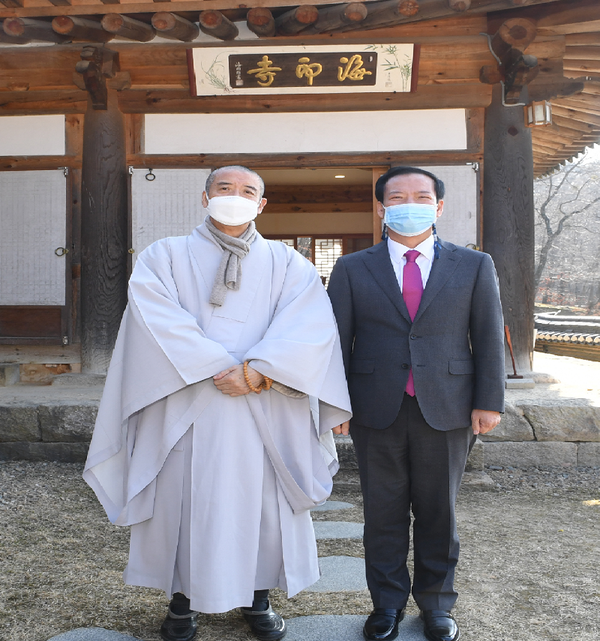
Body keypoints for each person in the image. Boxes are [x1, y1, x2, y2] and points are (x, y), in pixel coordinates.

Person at [83, 165, 351, 641]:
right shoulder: (163, 256)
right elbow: (154, 318)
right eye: (225, 188)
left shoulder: (290, 264)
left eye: (248, 191)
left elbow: (308, 326)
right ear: (204, 197)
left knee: (266, 502)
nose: (236, 196)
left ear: (262, 205)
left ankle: (258, 597)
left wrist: (258, 371)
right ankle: (182, 603)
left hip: (266, 402)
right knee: (183, 499)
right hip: (187, 399)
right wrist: (217, 366)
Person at [327, 166, 505, 641]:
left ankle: (437, 606)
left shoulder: (473, 265)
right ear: (382, 207)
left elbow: (487, 336)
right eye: (397, 196)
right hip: (373, 406)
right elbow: (335, 342)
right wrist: (335, 405)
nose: (410, 203)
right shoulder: (351, 267)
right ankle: (385, 605)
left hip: (448, 405)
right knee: (381, 513)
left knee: (438, 512)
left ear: (438, 206)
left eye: (421, 196)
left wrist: (489, 400)